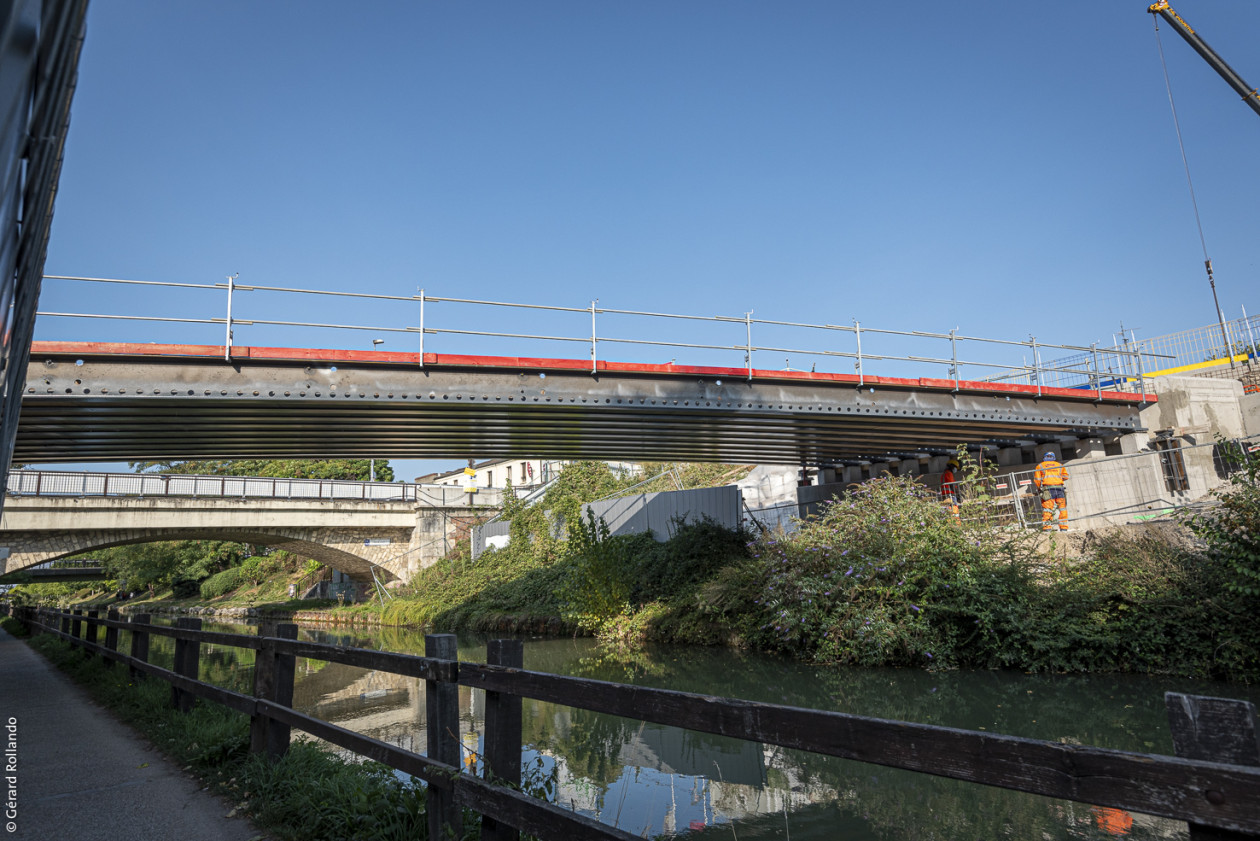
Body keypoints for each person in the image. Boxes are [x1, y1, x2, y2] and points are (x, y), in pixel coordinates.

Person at [1033, 451, 1069, 531]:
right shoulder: (1060, 465)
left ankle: (1047, 528)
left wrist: (1039, 489)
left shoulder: (1040, 466)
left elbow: (1037, 480)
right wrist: (1057, 479)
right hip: (1060, 489)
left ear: (1044, 457)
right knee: (1062, 509)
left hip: (1048, 490)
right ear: (1054, 458)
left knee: (1047, 509)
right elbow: (1066, 477)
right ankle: (1063, 528)